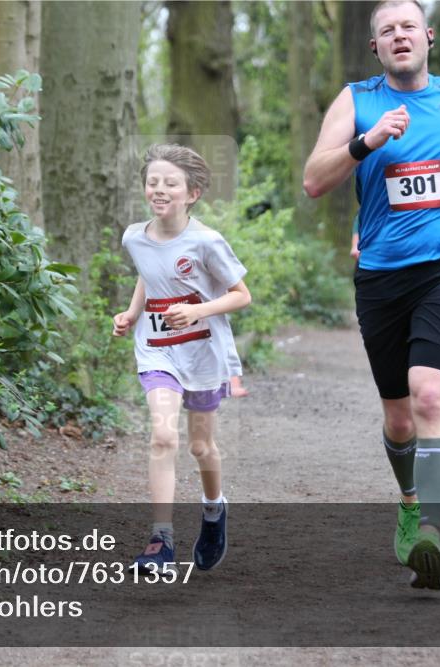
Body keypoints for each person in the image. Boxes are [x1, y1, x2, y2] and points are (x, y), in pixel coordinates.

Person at [302, 0, 440, 590]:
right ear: (375, 47)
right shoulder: (356, 101)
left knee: (430, 397)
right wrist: (366, 142)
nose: (399, 36)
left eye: (408, 27)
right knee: (399, 419)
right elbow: (314, 181)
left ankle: (431, 528)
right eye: (386, 31)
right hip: (380, 274)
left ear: (428, 37)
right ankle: (407, 501)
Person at [113, 143, 251, 572]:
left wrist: (196, 310)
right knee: (162, 436)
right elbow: (148, 272)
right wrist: (133, 313)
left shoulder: (207, 241)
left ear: (192, 193)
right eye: (152, 182)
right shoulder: (134, 236)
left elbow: (241, 296)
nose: (159, 189)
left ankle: (214, 509)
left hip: (203, 352)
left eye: (170, 183)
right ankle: (162, 540)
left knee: (200, 445)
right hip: (156, 350)